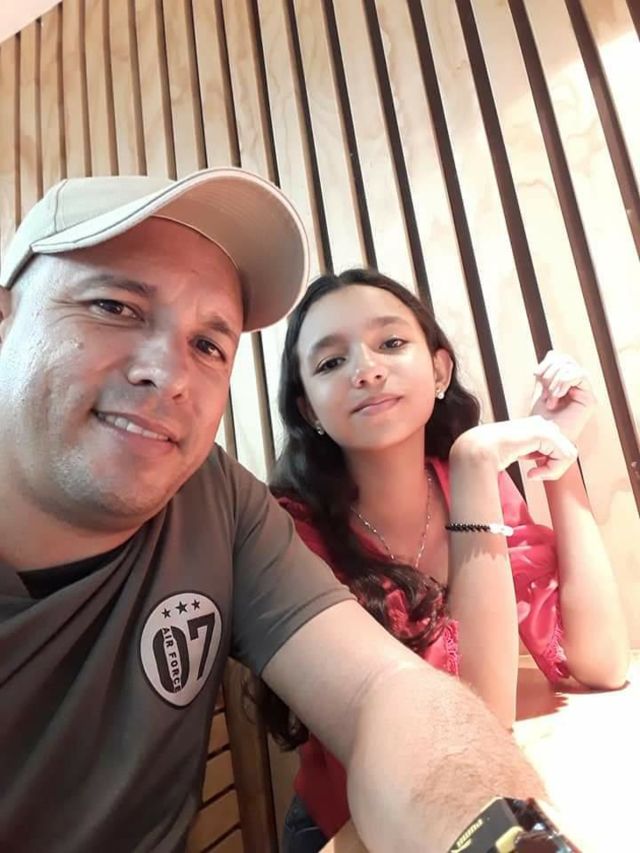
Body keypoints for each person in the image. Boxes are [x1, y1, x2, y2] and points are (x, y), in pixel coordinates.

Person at [0, 169, 578, 853]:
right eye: (114, 307)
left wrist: (506, 842)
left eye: (208, 345)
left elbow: (382, 690)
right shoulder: (294, 515)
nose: (170, 374)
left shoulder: (216, 500)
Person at [265, 268, 629, 852]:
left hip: (461, 808)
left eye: (390, 342)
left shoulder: (463, 482)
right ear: (309, 410)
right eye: (331, 362)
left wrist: (557, 459)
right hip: (347, 831)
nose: (366, 370)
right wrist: (475, 461)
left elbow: (601, 664)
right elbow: (480, 719)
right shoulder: (290, 533)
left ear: (439, 370)